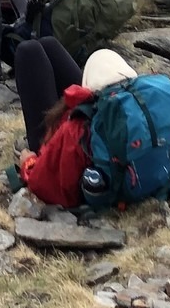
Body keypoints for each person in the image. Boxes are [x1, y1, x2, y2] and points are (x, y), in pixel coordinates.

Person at [14, 48, 138, 210]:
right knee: (47, 44)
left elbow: (44, 184)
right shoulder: (143, 105)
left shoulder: (76, 130)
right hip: (123, 149)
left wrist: (28, 163)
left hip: (67, 153)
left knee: (28, 52)